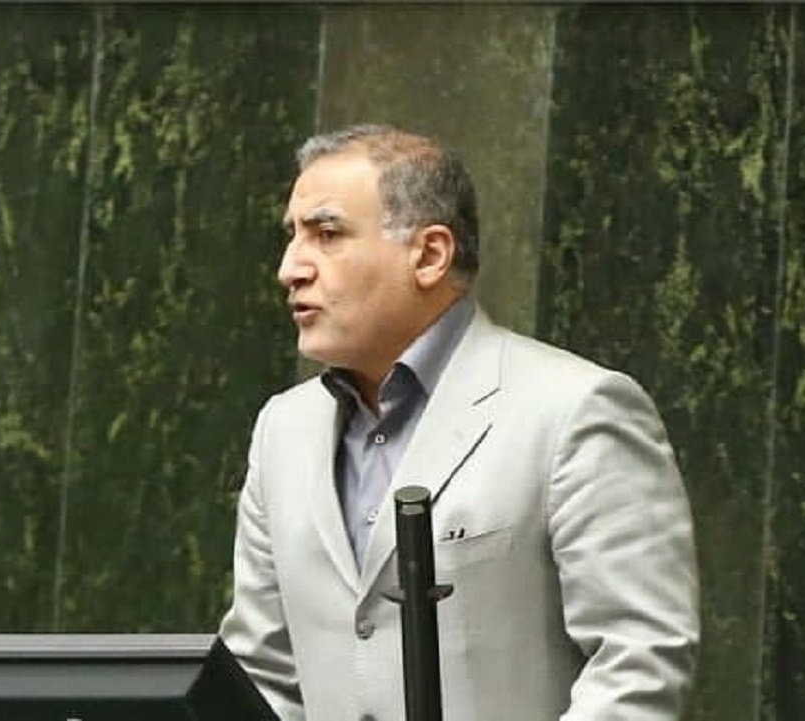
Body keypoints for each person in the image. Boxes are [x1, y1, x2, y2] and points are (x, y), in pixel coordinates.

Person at [218, 123, 700, 720]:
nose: (291, 267)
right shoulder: (283, 431)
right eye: (292, 236)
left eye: (327, 234)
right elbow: (260, 676)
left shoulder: (574, 410)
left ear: (429, 255)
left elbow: (638, 660)